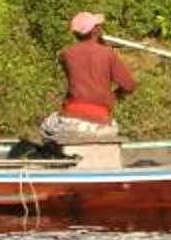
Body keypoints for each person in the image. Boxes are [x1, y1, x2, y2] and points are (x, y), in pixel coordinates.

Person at [43, 10, 135, 150]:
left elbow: (78, 77)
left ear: (75, 34)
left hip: (70, 121)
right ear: (96, 31)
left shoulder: (66, 54)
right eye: (98, 26)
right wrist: (116, 94)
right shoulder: (108, 54)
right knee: (113, 128)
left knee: (45, 127)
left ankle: (53, 157)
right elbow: (129, 86)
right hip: (100, 123)